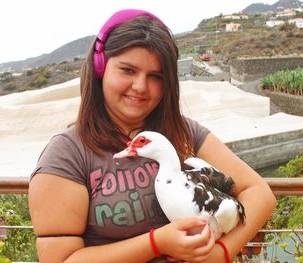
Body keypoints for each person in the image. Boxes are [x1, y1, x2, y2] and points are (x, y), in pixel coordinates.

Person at [28, 9, 276, 263]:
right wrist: (156, 243)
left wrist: (220, 253)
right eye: (127, 70)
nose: (140, 87)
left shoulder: (183, 132)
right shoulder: (67, 153)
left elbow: (258, 192)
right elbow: (60, 258)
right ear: (100, 68)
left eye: (156, 76)